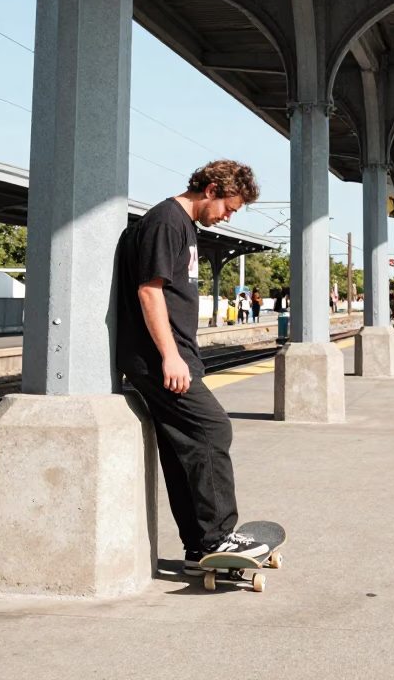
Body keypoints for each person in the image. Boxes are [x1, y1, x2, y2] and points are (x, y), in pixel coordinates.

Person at [116, 160, 270, 574]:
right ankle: (218, 536)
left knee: (183, 447)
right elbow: (150, 293)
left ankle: (200, 545)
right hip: (159, 358)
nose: (227, 217)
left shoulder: (182, 226)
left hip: (175, 356)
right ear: (212, 189)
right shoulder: (167, 222)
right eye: (229, 207)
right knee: (213, 428)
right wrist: (170, 355)